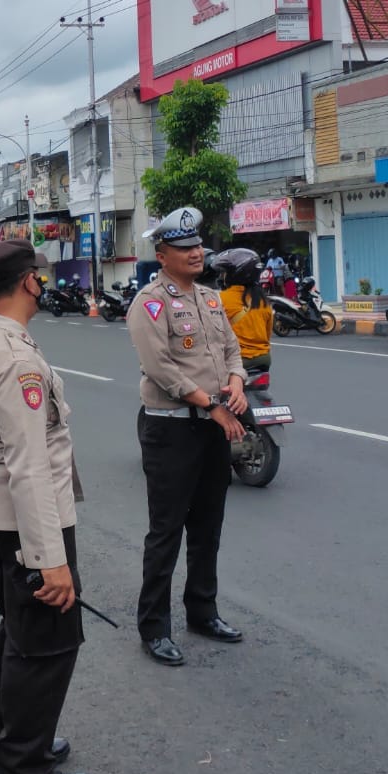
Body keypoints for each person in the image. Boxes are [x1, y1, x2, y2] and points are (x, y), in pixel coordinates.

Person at [0, 240, 93, 774]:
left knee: (18, 631)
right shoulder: (13, 358)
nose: (44, 283)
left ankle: (6, 744)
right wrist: (49, 558)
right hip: (27, 522)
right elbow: (28, 464)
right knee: (46, 644)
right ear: (29, 281)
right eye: (41, 275)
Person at [126, 207, 248, 667]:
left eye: (197, 245)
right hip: (172, 428)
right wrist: (213, 404)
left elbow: (231, 349)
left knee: (207, 527)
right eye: (184, 248)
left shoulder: (211, 299)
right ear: (162, 256)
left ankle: (202, 612)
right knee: (166, 532)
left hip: (212, 427)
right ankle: (154, 628)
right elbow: (160, 367)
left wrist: (236, 384)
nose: (196, 253)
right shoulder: (149, 303)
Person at [214, 248, 273, 371]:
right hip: (263, 358)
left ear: (235, 274)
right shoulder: (263, 301)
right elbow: (267, 335)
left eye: (225, 272)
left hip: (237, 360)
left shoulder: (220, 299)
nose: (222, 276)